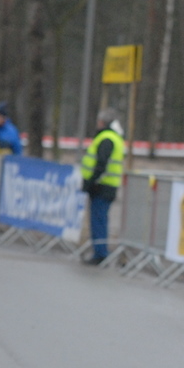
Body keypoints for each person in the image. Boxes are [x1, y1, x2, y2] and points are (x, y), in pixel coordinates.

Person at [80, 108, 125, 265]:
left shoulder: (106, 138)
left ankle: (100, 253)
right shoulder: (114, 137)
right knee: (100, 219)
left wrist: (91, 181)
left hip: (102, 186)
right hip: (107, 185)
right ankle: (99, 251)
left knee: (98, 220)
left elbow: (101, 164)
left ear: (103, 122)